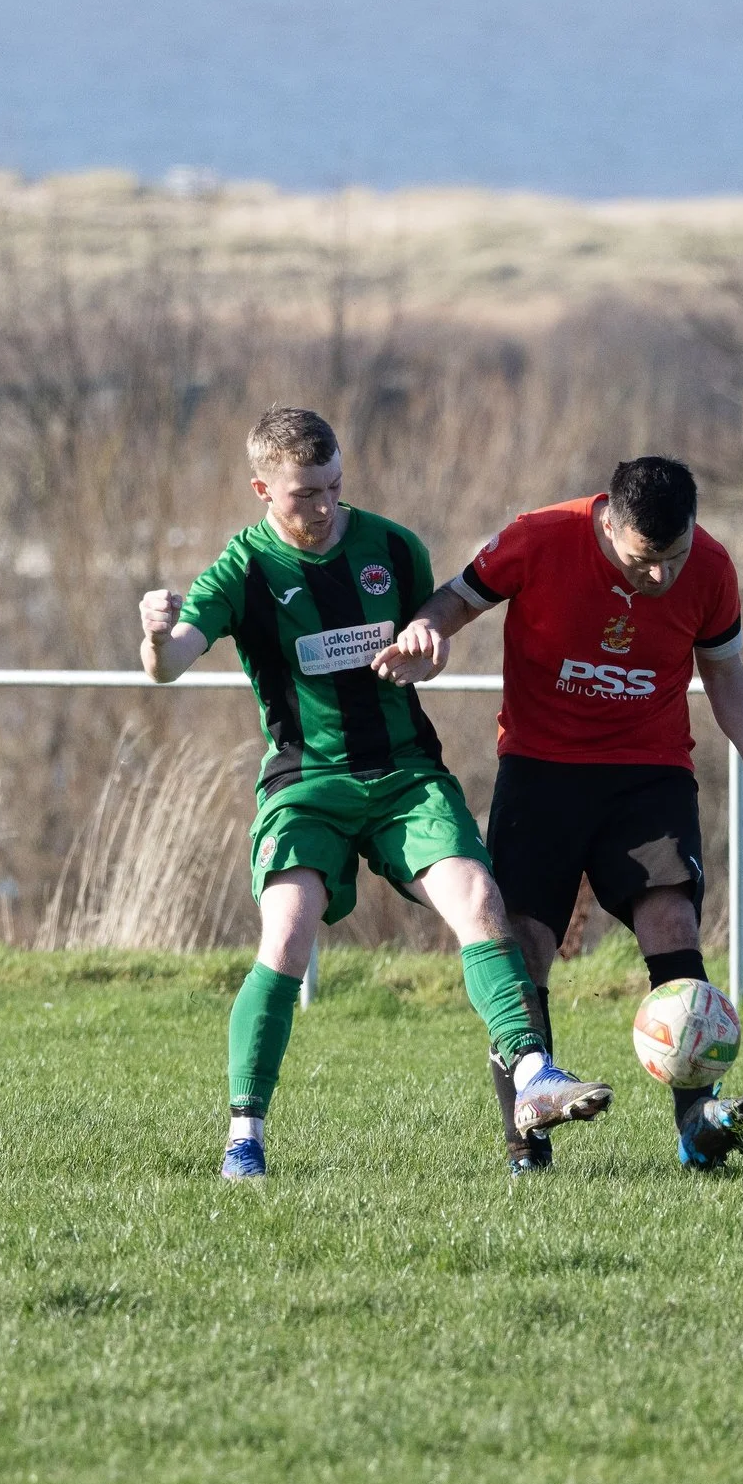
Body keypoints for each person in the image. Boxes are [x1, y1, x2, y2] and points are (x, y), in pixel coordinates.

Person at [139, 407, 615, 1180]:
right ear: (262, 488)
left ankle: (533, 1079)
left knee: (481, 902)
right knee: (287, 936)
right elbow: (172, 664)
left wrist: (428, 651)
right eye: (303, 495)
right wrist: (158, 638)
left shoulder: (392, 546)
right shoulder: (243, 570)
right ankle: (244, 1136)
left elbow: (425, 644)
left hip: (405, 775)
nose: (324, 507)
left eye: (333, 486)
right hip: (308, 782)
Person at [375, 456, 743, 1172]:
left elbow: (725, 671)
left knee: (672, 921)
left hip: (649, 772)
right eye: (646, 560)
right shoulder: (541, 537)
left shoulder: (711, 567)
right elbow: (456, 598)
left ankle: (699, 1123)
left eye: (674, 557)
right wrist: (425, 631)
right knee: (526, 944)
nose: (663, 577)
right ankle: (527, 1138)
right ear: (609, 523)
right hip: (542, 772)